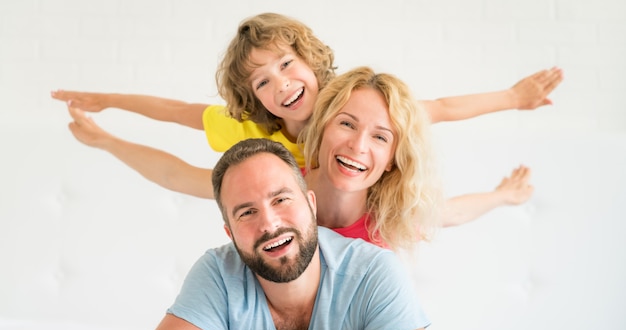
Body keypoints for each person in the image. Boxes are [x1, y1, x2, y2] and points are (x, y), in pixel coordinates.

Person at [52, 12, 560, 198]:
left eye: (287, 64)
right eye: (263, 81)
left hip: (362, 210)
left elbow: (441, 107)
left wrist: (514, 97)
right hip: (301, 220)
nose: (281, 84)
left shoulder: (354, 107)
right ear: (254, 97)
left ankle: (503, 196)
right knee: (196, 182)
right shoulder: (254, 128)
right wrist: (108, 106)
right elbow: (178, 110)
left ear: (311, 61)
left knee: (438, 211)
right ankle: (103, 143)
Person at [135, 138, 440, 330]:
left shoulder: (373, 270)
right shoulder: (217, 272)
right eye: (247, 212)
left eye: (281, 199)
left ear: (311, 204)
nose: (269, 224)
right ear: (230, 233)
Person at [301, 67, 534, 250]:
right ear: (322, 127)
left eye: (380, 137)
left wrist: (504, 195)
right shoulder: (280, 182)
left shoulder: (386, 221)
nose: (358, 145)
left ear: (392, 159)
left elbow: (455, 213)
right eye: (347, 124)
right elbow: (442, 108)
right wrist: (512, 97)